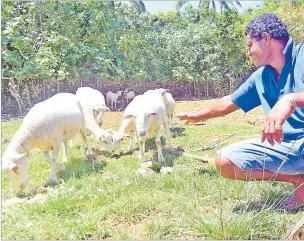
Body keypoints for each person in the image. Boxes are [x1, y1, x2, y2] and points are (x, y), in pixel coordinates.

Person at [177, 13, 304, 210]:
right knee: (225, 161)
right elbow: (230, 102)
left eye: (249, 45)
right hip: (285, 146)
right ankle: (298, 180)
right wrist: (198, 115)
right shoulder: (261, 76)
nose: (249, 52)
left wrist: (291, 99)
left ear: (266, 39)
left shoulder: (302, 56)